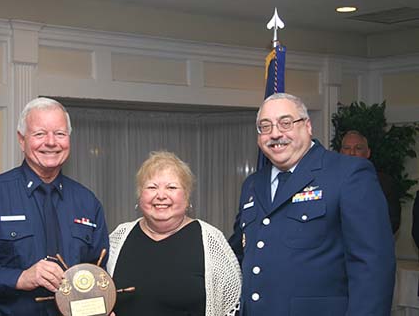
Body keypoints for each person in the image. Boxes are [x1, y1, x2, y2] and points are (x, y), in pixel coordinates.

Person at [229, 93, 395, 315]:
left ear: (307, 126)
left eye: (285, 123)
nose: (275, 133)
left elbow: (372, 266)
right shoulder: (252, 184)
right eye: (265, 127)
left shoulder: (348, 174)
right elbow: (240, 253)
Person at [0, 97, 110, 315]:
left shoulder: (87, 202)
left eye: (59, 134)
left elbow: (97, 272)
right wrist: (19, 278)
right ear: (22, 140)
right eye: (40, 134)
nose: (51, 142)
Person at [107, 151, 241, 316]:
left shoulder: (211, 240)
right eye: (151, 187)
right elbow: (99, 291)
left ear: (186, 196)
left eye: (171, 187)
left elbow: (232, 302)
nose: (161, 196)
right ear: (140, 195)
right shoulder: (118, 237)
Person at [340, 130, 401, 233]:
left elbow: (392, 222)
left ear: (368, 153)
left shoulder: (384, 183)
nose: (352, 153)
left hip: (372, 243)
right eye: (347, 148)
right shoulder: (329, 181)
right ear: (340, 153)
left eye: (358, 148)